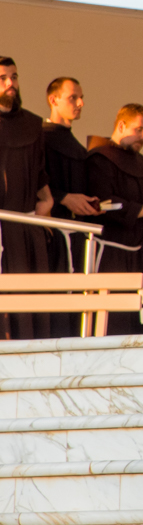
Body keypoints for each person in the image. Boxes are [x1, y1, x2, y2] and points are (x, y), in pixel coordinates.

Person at [86, 104, 143, 335]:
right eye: (139, 130)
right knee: (111, 322)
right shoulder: (99, 158)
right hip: (109, 255)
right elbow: (101, 203)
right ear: (121, 126)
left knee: (135, 322)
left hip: (136, 255)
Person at [0, 58, 54, 339]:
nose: (11, 83)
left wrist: (47, 200)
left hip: (24, 224)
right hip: (1, 224)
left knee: (27, 304)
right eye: (2, 78)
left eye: (14, 76)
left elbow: (39, 171)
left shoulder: (32, 124)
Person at [42, 77, 98, 273]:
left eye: (81, 98)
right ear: (53, 100)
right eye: (73, 98)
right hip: (49, 233)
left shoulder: (78, 148)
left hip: (76, 235)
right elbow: (31, 184)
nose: (80, 103)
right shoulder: (39, 139)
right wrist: (64, 198)